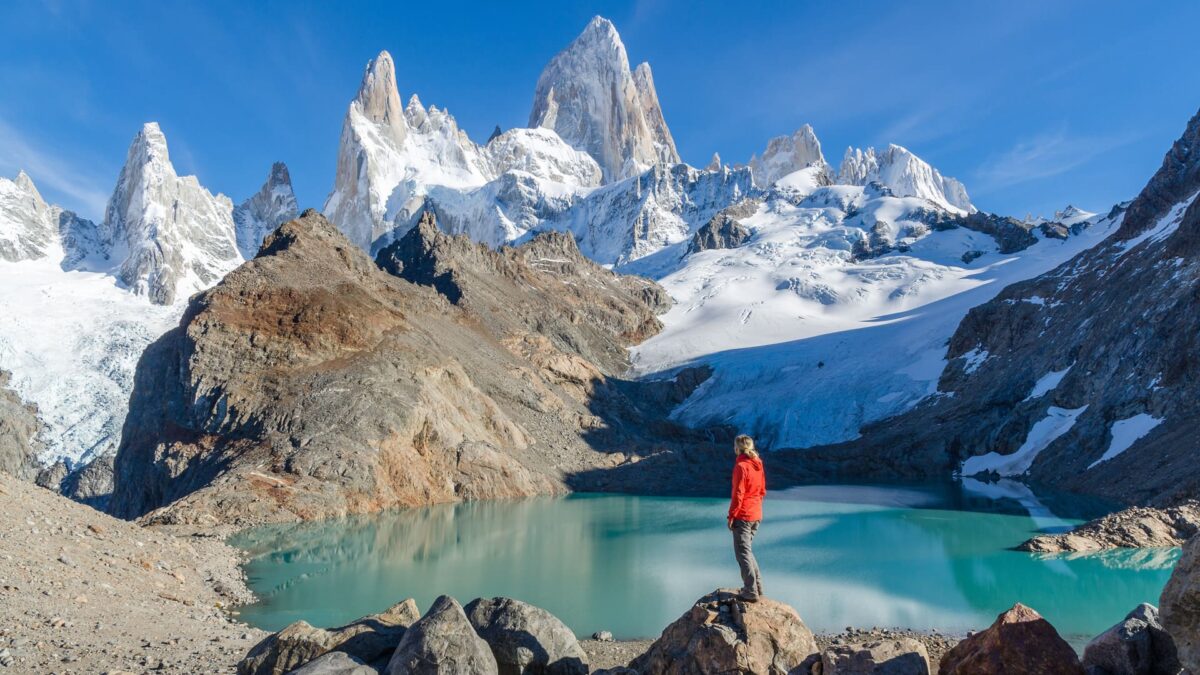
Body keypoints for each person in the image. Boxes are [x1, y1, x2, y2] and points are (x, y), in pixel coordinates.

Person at [727, 434, 766, 602]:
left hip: (743, 515)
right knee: (747, 551)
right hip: (756, 513)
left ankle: (750, 591)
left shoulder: (741, 466)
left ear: (737, 448)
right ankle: (757, 587)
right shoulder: (758, 464)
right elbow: (762, 490)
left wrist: (732, 515)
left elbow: (738, 494)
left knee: (742, 553)